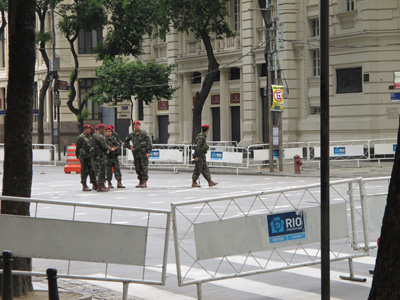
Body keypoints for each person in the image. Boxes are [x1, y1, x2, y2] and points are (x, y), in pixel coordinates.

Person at [125, 120, 152, 188]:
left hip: (143, 152)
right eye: (136, 125)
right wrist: (130, 147)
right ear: (134, 126)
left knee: (144, 167)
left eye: (138, 125)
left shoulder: (144, 133)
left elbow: (149, 142)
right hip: (136, 153)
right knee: (138, 168)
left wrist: (149, 152)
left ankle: (144, 181)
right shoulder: (132, 134)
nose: (137, 127)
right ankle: (140, 180)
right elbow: (126, 141)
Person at [92, 124, 116, 192]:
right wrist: (111, 149)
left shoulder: (94, 136)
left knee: (99, 170)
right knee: (101, 171)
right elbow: (104, 146)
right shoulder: (99, 136)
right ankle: (100, 186)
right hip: (100, 155)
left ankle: (101, 185)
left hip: (96, 155)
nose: (105, 131)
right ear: (101, 129)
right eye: (104, 129)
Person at [75, 124, 94, 191]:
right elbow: (78, 148)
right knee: (84, 171)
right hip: (83, 156)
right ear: (85, 129)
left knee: (91, 170)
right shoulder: (81, 137)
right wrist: (78, 156)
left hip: (89, 156)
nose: (90, 130)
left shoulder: (90, 137)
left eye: (90, 129)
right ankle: (84, 185)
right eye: (88, 129)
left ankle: (94, 183)